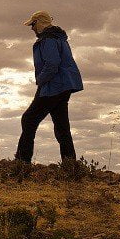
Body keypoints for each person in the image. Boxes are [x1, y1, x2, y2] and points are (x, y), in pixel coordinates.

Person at [15, 11, 84, 163]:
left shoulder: (48, 40)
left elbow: (52, 64)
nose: (31, 28)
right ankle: (70, 164)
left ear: (39, 23)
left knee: (29, 119)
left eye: (33, 24)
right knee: (62, 126)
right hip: (64, 86)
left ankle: (22, 161)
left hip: (53, 86)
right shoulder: (60, 38)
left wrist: (40, 80)